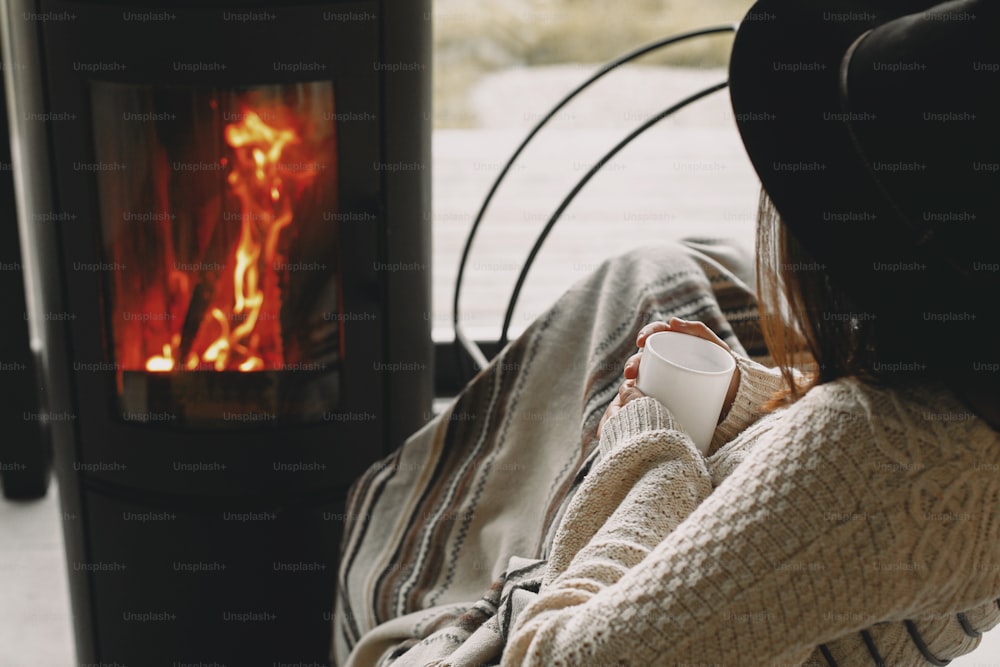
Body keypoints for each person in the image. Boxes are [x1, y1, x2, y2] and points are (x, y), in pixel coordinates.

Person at [335, 0, 1000, 664]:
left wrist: (652, 445)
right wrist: (745, 394)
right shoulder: (958, 416)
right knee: (659, 276)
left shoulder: (861, 453)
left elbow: (555, 659)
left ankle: (395, 541)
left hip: (561, 613)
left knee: (632, 293)